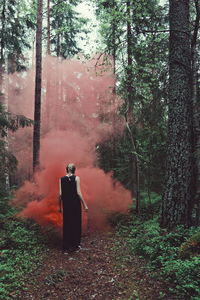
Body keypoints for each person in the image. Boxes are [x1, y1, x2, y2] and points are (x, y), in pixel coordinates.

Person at [59, 163, 88, 254]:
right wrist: (85, 205)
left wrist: (59, 206)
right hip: (75, 204)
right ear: (74, 169)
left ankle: (66, 247)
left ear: (66, 169)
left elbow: (60, 195)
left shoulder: (61, 179)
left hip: (66, 204)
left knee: (67, 224)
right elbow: (78, 193)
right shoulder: (76, 178)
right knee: (76, 223)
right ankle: (75, 245)